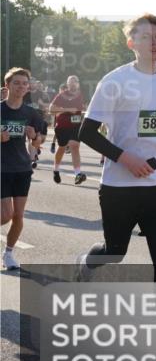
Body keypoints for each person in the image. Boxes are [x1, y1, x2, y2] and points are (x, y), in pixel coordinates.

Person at [74, 13, 156, 359]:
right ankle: (86, 262)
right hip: (119, 185)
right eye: (146, 36)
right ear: (131, 43)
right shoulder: (114, 82)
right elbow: (86, 133)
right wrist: (126, 158)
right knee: (115, 251)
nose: (154, 41)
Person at [2, 68, 47, 270]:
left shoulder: (31, 113)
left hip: (22, 168)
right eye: (16, 83)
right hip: (1, 168)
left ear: (28, 88)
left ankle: (8, 254)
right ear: (7, 85)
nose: (21, 86)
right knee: (5, 215)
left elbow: (39, 142)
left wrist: (34, 137)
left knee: (19, 215)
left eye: (24, 83)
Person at [49, 75, 87, 185]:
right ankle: (56, 170)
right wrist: (67, 110)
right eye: (70, 82)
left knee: (74, 146)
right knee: (61, 148)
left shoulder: (81, 95)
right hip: (62, 126)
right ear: (67, 84)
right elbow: (51, 109)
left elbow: (86, 107)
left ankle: (78, 174)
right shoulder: (62, 95)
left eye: (75, 81)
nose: (73, 83)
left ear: (78, 84)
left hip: (76, 126)